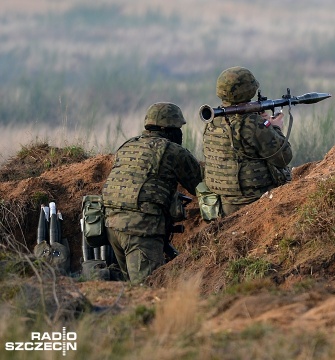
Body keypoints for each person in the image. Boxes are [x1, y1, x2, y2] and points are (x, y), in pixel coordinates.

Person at [102, 102, 202, 285]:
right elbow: (201, 185)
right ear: (170, 129)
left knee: (129, 289)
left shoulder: (128, 146)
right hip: (140, 230)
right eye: (179, 128)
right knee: (147, 289)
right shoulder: (172, 150)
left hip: (111, 225)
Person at [201, 66, 293, 217]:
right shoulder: (252, 123)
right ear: (249, 90)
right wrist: (274, 127)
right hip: (254, 204)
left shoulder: (212, 121)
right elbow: (284, 157)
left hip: (220, 204)